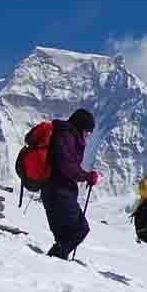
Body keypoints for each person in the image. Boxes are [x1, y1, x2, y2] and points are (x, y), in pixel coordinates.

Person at [42, 108, 99, 259]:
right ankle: (52, 260)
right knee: (80, 229)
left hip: (53, 192)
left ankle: (52, 266)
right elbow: (67, 166)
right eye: (87, 131)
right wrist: (87, 176)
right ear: (80, 126)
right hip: (58, 192)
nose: (87, 136)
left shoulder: (66, 135)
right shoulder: (65, 136)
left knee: (65, 238)